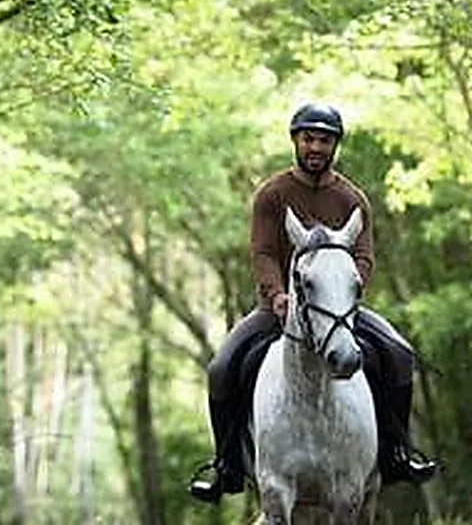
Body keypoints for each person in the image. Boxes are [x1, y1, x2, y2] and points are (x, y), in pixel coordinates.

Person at [187, 102, 438, 503]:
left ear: (335, 145)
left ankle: (396, 452)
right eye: (309, 139)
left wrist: (349, 294)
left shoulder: (354, 199)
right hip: (280, 309)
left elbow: (364, 257)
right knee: (221, 368)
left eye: (324, 140)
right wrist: (278, 295)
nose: (316, 147)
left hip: (337, 309)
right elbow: (264, 253)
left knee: (399, 354)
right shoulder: (272, 195)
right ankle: (226, 465)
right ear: (296, 142)